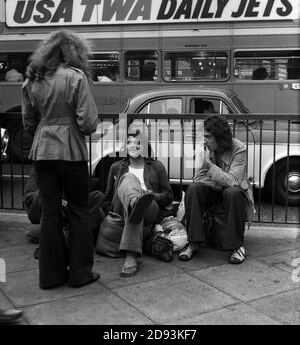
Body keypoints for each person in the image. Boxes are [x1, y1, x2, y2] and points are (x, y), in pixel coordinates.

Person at [22, 30, 100, 289]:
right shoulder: (75, 78)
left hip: (42, 153)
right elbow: (88, 123)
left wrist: (45, 131)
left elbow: (28, 123)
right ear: (74, 52)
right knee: (79, 212)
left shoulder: (33, 79)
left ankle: (50, 277)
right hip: (71, 152)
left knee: (50, 215)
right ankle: (80, 274)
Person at [178, 115, 254, 264]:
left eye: (207, 136)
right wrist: (222, 180)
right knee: (194, 189)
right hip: (214, 190)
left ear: (219, 137)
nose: (204, 140)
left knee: (233, 192)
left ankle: (237, 247)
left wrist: (210, 166)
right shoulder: (205, 149)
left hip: (233, 194)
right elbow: (198, 179)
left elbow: (234, 182)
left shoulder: (239, 148)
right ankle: (193, 242)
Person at [102, 130, 173, 277]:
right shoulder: (116, 167)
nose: (132, 146)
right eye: (129, 142)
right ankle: (134, 202)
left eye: (137, 143)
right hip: (120, 207)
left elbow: (169, 196)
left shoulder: (157, 167)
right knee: (128, 178)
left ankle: (136, 203)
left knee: (140, 204)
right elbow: (107, 198)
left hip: (149, 207)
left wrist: (154, 196)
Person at [23, 167, 106, 258]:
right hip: (43, 207)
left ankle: (68, 233)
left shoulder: (70, 167)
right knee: (46, 191)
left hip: (66, 210)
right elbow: (28, 198)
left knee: (98, 196)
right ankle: (47, 244)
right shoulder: (40, 168)